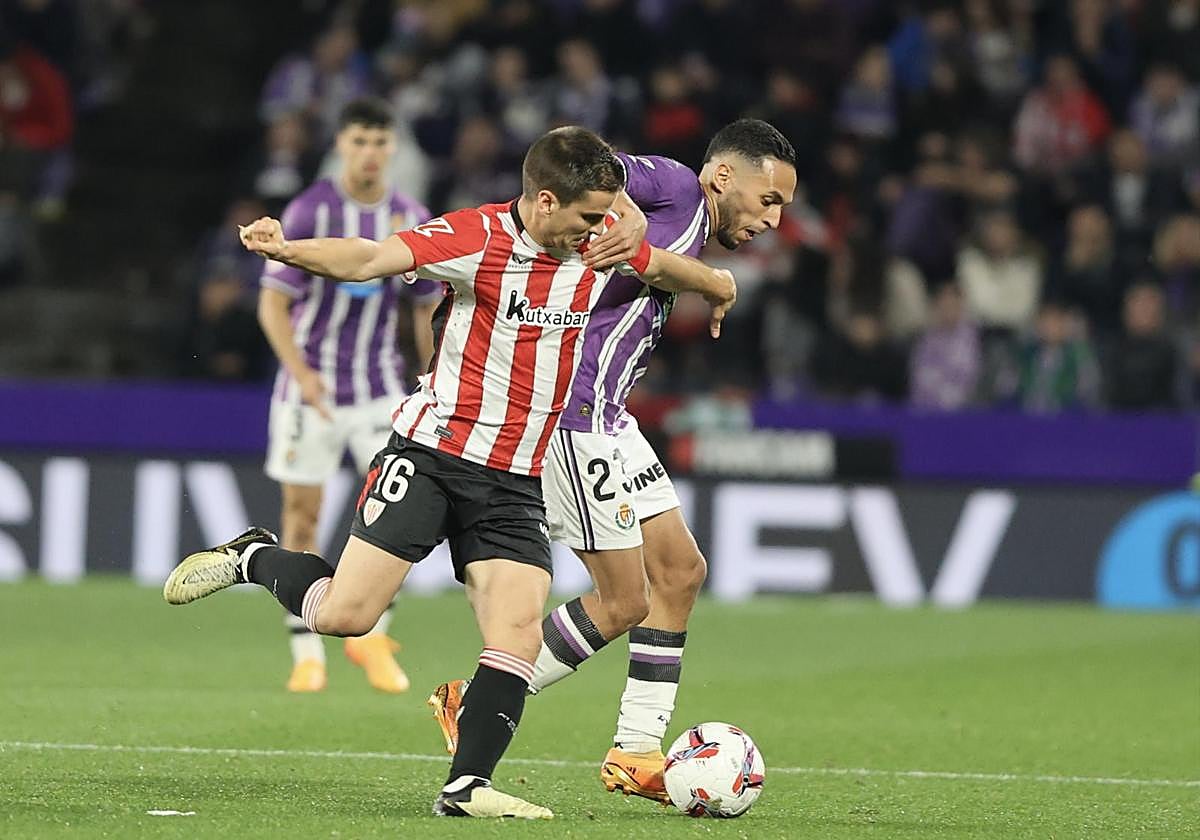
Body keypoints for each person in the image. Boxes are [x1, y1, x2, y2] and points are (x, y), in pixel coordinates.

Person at [162, 126, 737, 819]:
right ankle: (254, 556)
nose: (602, 233)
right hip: (432, 456)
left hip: (515, 477)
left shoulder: (595, 245)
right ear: (545, 201)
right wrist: (290, 250)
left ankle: (465, 788)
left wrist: (714, 282)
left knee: (517, 634)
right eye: (589, 218)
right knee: (347, 614)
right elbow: (370, 257)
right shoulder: (477, 238)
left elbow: (660, 268)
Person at [428, 119, 797, 805]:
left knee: (681, 572)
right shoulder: (678, 185)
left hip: (611, 417)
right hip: (572, 414)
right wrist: (646, 229)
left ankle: (635, 750)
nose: (775, 220)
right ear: (723, 177)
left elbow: (653, 262)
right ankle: (476, 700)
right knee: (626, 598)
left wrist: (698, 275)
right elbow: (586, 159)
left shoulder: (685, 228)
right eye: (769, 200)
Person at [258, 97, 439, 694]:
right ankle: (305, 651)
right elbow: (273, 303)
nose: (369, 153)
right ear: (341, 145)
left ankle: (372, 635)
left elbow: (424, 309)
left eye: (379, 142)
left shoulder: (409, 215)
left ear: (392, 149)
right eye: (359, 141)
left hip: (379, 390)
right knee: (301, 517)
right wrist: (301, 375)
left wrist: (434, 372)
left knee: (397, 514)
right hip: (309, 389)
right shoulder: (312, 209)